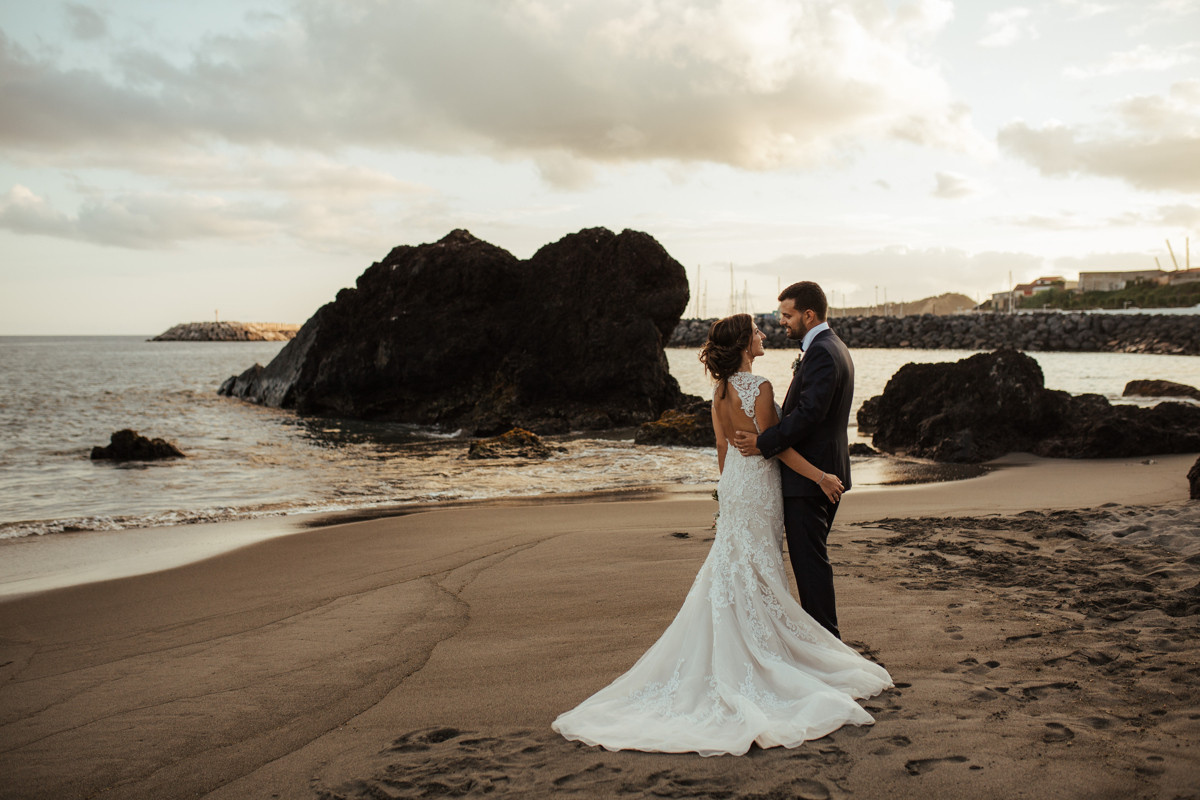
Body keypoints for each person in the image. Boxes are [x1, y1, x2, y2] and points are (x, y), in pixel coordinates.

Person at [551, 313, 890, 756]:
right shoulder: (759, 387)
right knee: (759, 567)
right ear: (745, 345)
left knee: (735, 566)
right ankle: (764, 656)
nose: (764, 334)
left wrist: (729, 489)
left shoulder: (719, 391)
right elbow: (779, 446)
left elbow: (723, 447)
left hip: (734, 486)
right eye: (756, 332)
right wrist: (822, 476)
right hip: (758, 487)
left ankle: (742, 647)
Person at [733, 282, 852, 640]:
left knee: (811, 567)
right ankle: (824, 644)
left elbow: (810, 415)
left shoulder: (821, 353)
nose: (781, 322)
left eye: (787, 315)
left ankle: (828, 646)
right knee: (811, 562)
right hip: (823, 472)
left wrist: (764, 442)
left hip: (811, 480)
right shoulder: (833, 348)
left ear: (808, 315)